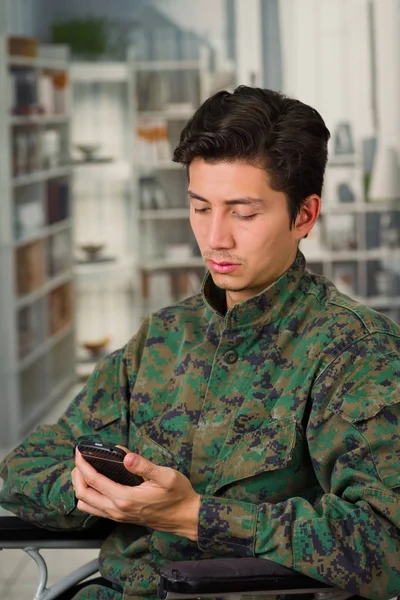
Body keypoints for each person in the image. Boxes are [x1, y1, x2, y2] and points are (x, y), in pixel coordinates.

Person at [1, 86, 400, 600]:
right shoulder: (164, 337)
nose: (215, 238)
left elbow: (386, 544)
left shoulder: (355, 352)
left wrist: (195, 516)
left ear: (304, 216)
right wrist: (103, 493)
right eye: (200, 207)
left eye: (243, 212)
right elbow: (24, 468)